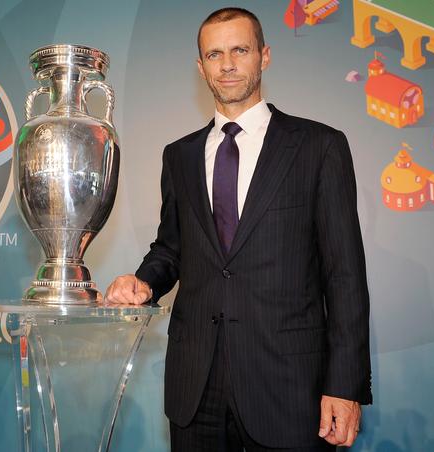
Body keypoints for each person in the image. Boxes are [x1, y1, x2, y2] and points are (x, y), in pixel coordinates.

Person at [105, 7, 371, 451]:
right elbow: (171, 249)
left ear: (264, 56)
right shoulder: (180, 156)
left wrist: (344, 386)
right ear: (201, 66)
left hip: (289, 386)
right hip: (196, 388)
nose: (227, 64)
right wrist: (144, 281)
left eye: (240, 50)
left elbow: (344, 275)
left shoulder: (319, 147)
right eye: (214, 54)